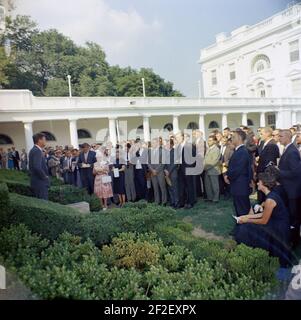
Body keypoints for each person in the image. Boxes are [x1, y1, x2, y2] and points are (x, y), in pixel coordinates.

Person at [235, 172, 291, 268]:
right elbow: (264, 214)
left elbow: (264, 220)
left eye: (259, 182)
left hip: (279, 228)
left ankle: (250, 251)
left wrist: (246, 220)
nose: (257, 183)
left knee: (246, 228)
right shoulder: (270, 195)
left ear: (264, 184)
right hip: (275, 222)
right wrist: (247, 217)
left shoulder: (270, 199)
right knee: (246, 226)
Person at [278, 129, 301, 248]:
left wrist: (279, 172)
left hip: (293, 191)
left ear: (288, 137)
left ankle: (294, 241)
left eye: (281, 136)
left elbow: (296, 172)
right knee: (291, 216)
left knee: (294, 217)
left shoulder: (292, 151)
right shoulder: (288, 149)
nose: (278, 138)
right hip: (287, 189)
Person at [225, 129, 252, 216]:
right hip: (238, 186)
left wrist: (228, 177)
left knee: (243, 211)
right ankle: (241, 227)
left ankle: (244, 229)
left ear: (239, 138)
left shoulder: (242, 152)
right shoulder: (239, 151)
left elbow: (237, 170)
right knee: (239, 210)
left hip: (240, 186)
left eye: (233, 137)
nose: (231, 139)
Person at [256, 127, 279, 203]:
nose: (260, 135)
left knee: (265, 198)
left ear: (268, 134)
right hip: (262, 174)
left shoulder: (272, 145)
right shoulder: (263, 143)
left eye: (261, 133)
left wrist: (263, 175)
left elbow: (269, 162)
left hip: (266, 176)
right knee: (261, 196)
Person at [176, 132, 197, 209]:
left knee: (189, 186)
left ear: (182, 137)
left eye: (178, 137)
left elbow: (194, 157)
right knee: (181, 187)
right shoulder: (178, 146)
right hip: (180, 169)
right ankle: (182, 202)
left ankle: (190, 202)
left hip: (188, 169)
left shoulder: (189, 145)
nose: (177, 139)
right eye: (176, 138)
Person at [28, 133, 49, 200]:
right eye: (44, 139)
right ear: (40, 140)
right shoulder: (37, 151)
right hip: (40, 182)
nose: (45, 141)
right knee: (44, 203)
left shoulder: (34, 150)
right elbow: (37, 167)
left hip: (36, 181)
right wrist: (44, 177)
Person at [148, 137, 167, 205]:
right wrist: (152, 170)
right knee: (155, 188)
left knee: (162, 187)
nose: (152, 144)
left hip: (160, 172)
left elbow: (163, 162)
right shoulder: (149, 151)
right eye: (151, 143)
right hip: (152, 172)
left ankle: (164, 201)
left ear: (157, 143)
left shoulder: (162, 151)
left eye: (153, 143)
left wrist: (156, 170)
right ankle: (157, 201)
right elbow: (148, 162)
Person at [204, 135, 221, 203]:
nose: (208, 142)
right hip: (207, 170)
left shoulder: (216, 149)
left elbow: (214, 161)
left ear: (214, 141)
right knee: (208, 185)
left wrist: (205, 167)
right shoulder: (209, 148)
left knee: (214, 185)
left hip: (213, 170)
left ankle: (216, 198)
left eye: (210, 140)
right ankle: (210, 198)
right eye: (208, 140)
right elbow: (205, 159)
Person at [164, 138, 179, 208]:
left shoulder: (175, 151)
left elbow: (175, 163)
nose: (167, 144)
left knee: (175, 188)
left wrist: (169, 171)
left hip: (173, 173)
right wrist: (165, 170)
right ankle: (172, 202)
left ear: (172, 144)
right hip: (167, 173)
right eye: (166, 143)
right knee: (169, 187)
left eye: (168, 143)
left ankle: (176, 203)